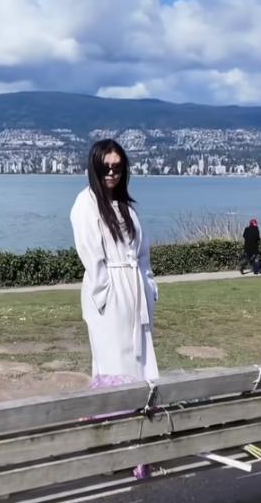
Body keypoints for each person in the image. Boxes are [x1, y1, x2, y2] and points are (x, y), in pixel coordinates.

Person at [70, 139, 160, 388]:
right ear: (94, 168)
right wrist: (104, 294)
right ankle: (117, 405)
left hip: (136, 290)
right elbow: (91, 254)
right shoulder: (86, 203)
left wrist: (149, 286)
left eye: (117, 167)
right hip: (110, 293)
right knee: (114, 357)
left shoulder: (126, 207)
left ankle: (142, 400)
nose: (111, 173)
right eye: (105, 167)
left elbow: (142, 252)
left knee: (139, 357)